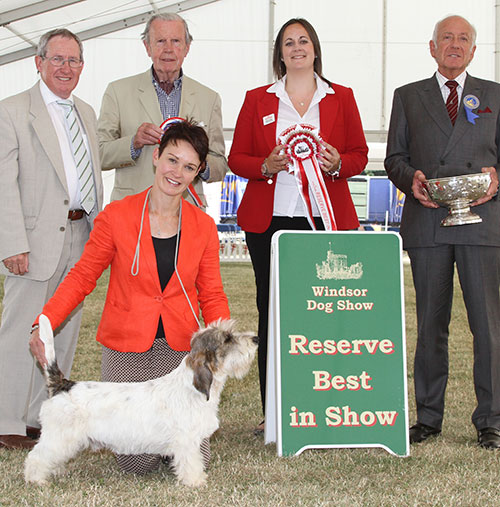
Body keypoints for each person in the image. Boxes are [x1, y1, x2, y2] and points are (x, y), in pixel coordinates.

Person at [29, 120, 230, 474]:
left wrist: (223, 340)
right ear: (156, 157)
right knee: (136, 462)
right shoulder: (116, 217)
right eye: (171, 160)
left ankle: (172, 444)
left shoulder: (203, 227)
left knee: (191, 449)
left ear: (198, 172)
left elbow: (211, 293)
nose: (176, 173)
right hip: (127, 344)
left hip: (180, 349)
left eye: (188, 167)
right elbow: (82, 277)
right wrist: (43, 323)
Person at [228, 18, 368, 433]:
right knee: (272, 312)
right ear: (280, 53)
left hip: (325, 221)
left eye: (303, 40)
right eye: (288, 42)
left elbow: (359, 154)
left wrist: (338, 163)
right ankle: (273, 412)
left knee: (324, 312)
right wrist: (266, 166)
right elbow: (238, 158)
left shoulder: (342, 97)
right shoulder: (258, 99)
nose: (296, 48)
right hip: (268, 223)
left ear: (315, 49)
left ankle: (323, 405)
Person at [385, 15, 500, 448]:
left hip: (483, 224)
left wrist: (495, 180)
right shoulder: (408, 96)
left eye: (463, 39)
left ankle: (492, 420)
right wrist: (410, 178)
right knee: (430, 325)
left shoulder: (495, 95)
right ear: (431, 48)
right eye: (446, 38)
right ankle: (428, 417)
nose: (454, 45)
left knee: (487, 326)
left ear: (474, 50)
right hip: (428, 221)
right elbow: (394, 156)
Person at [0, 29, 103, 450]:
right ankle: (6, 421)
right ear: (38, 63)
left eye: (73, 60)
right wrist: (11, 242)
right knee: (18, 331)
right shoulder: (12, 111)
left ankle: (40, 418)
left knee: (63, 331)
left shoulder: (87, 112)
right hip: (33, 238)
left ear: (82, 67)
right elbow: (4, 182)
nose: (66, 68)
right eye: (57, 59)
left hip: (81, 235)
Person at [98, 12, 228, 208]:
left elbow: (219, 165)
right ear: (147, 47)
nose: (168, 49)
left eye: (176, 41)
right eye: (160, 41)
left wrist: (199, 162)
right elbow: (98, 154)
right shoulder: (117, 91)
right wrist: (134, 143)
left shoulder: (209, 98)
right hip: (132, 209)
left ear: (187, 48)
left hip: (188, 211)